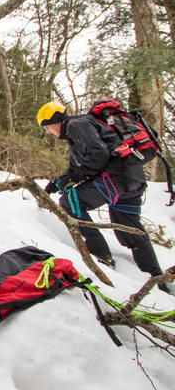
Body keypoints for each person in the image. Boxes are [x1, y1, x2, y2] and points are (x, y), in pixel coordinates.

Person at [37, 101, 172, 294]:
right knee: (130, 231)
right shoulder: (82, 127)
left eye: (47, 126)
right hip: (132, 180)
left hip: (115, 179)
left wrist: (82, 176)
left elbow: (98, 154)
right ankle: (158, 279)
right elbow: (76, 168)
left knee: (70, 201)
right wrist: (56, 183)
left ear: (54, 120)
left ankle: (100, 254)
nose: (48, 131)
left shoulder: (76, 125)